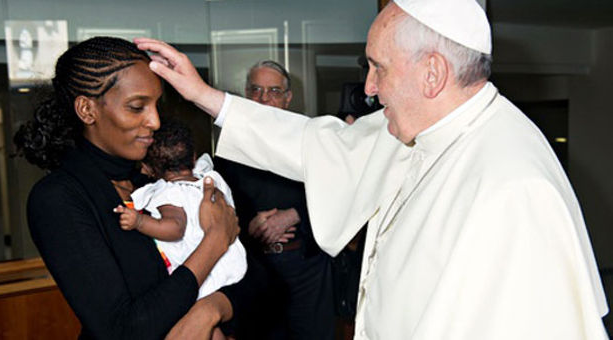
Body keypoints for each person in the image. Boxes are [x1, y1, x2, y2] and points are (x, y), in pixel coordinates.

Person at [135, 0, 609, 338]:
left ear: (433, 74)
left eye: (379, 67)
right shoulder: (422, 123)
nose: (369, 87)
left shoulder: (515, 187)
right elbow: (318, 144)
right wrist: (204, 96)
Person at [13, 36, 241, 340]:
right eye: (137, 107)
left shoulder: (156, 180)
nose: (156, 121)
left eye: (156, 105)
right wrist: (215, 241)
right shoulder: (57, 199)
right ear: (87, 110)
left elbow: (258, 281)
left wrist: (210, 309)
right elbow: (122, 330)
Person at [214, 60, 334, 339]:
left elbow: (338, 192)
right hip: (256, 267)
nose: (264, 98)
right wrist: (249, 225)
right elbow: (221, 202)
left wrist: (294, 215)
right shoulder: (230, 146)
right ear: (246, 94)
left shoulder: (312, 139)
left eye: (274, 91)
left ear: (288, 98)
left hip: (306, 267)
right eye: (256, 90)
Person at [114, 119, 247, 301]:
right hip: (229, 264)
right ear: (193, 157)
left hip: (201, 274)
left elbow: (175, 228)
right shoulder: (210, 179)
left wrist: (139, 221)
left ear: (149, 169)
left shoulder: (169, 194)